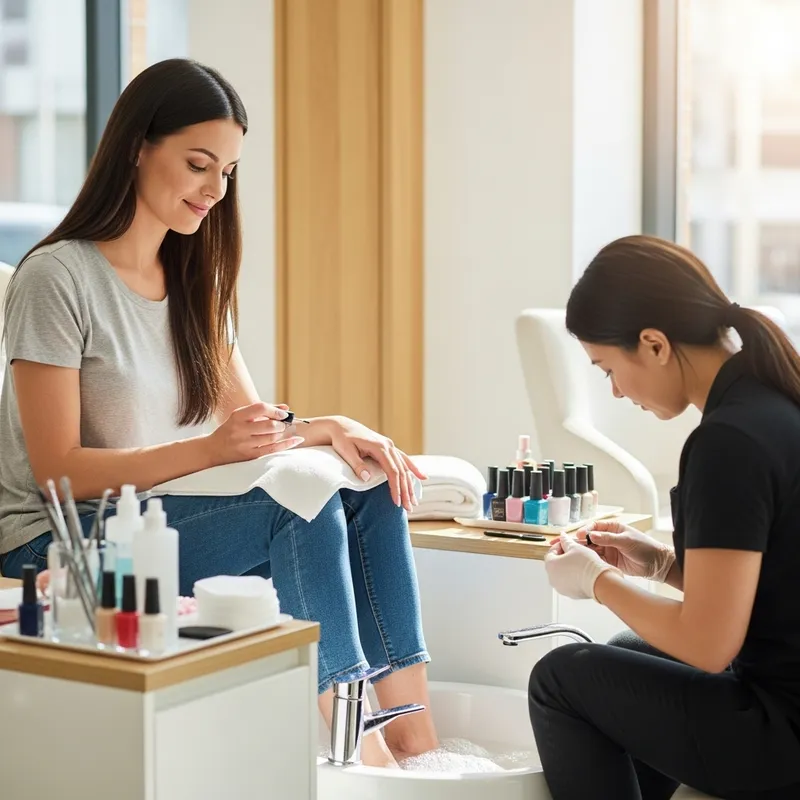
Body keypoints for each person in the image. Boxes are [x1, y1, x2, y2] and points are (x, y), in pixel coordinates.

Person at [0, 58, 438, 768]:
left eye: (227, 171)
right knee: (297, 510)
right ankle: (354, 756)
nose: (215, 189)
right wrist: (209, 451)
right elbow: (59, 471)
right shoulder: (57, 277)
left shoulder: (193, 281)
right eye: (199, 164)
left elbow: (252, 435)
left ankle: (418, 745)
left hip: (157, 514)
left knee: (365, 489)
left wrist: (331, 429)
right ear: (138, 146)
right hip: (58, 542)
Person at [530, 235, 800, 799]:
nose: (617, 391)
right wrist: (658, 564)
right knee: (627, 654)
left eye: (607, 367)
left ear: (653, 344)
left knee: (561, 677)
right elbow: (776, 583)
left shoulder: (728, 443)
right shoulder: (774, 404)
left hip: (783, 734)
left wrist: (594, 581)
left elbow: (708, 644)